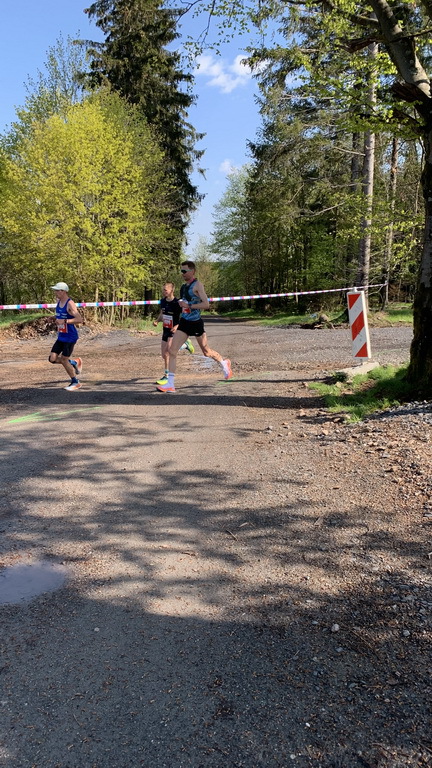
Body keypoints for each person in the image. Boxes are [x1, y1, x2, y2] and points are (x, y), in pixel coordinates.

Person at [156, 261, 232, 392]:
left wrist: (189, 306)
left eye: (184, 271)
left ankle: (224, 363)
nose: (182, 274)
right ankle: (170, 384)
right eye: (181, 271)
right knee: (172, 351)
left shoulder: (197, 285)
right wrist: (181, 305)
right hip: (185, 322)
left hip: (196, 323)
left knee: (206, 352)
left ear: (193, 271)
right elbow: (185, 303)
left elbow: (206, 304)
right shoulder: (183, 287)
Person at [152, 282, 194, 385]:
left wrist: (177, 326)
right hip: (165, 330)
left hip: (174, 331)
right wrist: (157, 320)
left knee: (169, 352)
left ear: (172, 290)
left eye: (165, 290)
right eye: (163, 289)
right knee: (164, 354)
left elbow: (185, 316)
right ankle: (185, 345)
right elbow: (162, 312)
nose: (164, 291)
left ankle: (166, 376)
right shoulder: (162, 301)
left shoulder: (177, 303)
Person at [48, 282, 83, 391]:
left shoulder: (70, 303)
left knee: (64, 360)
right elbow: (61, 315)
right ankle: (74, 362)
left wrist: (65, 321)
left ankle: (75, 382)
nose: (55, 292)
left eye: (56, 290)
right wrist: (54, 318)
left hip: (70, 337)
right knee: (52, 359)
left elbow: (79, 319)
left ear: (63, 291)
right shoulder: (59, 302)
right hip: (61, 336)